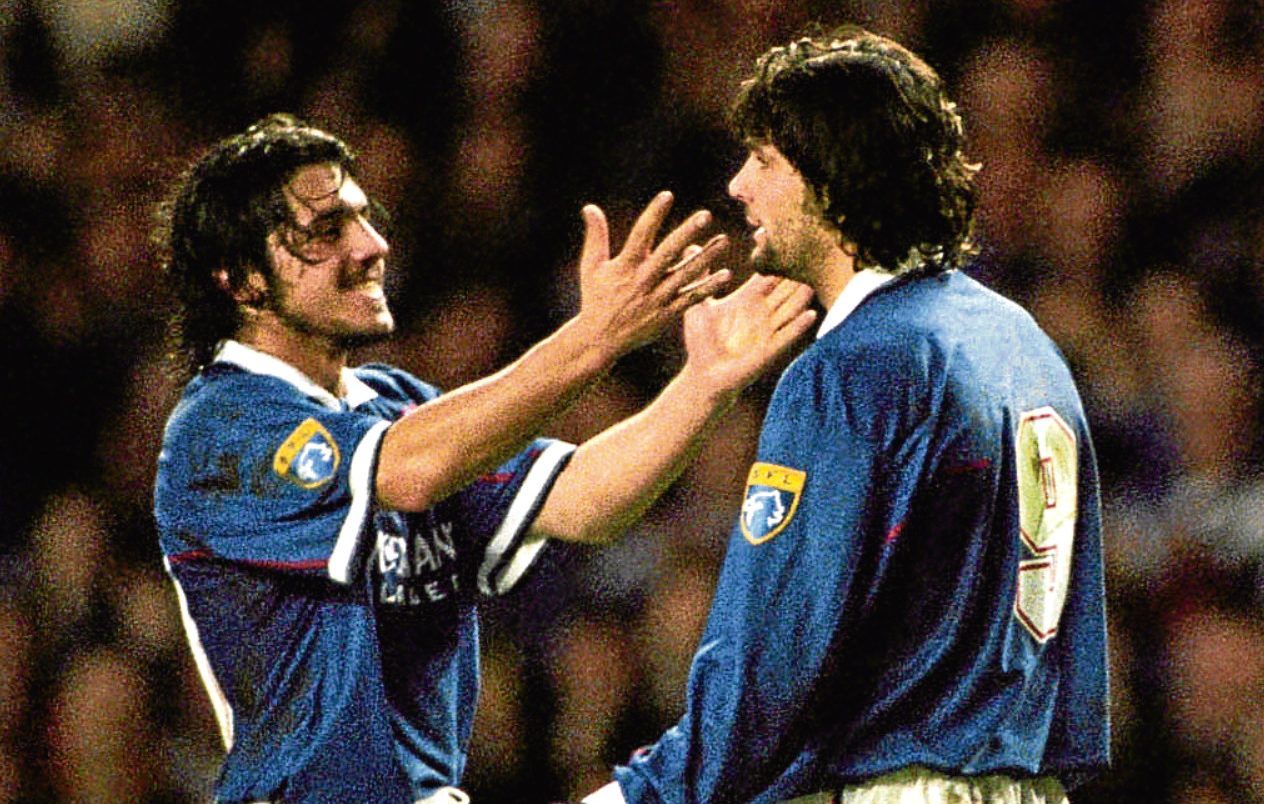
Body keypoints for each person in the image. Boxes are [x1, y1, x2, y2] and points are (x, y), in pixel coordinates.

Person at [152, 113, 816, 803]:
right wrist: (593, 339)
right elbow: (408, 475)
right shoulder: (219, 430)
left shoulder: (394, 404)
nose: (373, 244)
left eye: (364, 218)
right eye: (327, 232)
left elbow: (587, 500)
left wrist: (703, 383)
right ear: (241, 281)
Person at [583, 26, 1110, 804]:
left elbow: (773, 652)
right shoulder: (1020, 340)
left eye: (764, 159)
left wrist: (644, 793)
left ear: (831, 174)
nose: (737, 185)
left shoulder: (855, 369)